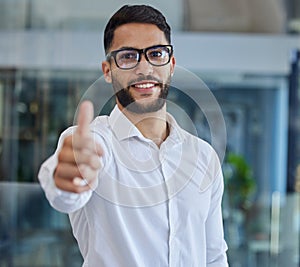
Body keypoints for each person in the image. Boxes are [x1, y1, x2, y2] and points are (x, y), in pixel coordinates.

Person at [38, 4, 228, 267]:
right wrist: (67, 180)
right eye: (128, 56)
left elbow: (214, 256)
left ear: (171, 65)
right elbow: (65, 193)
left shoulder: (203, 156)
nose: (144, 68)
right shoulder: (93, 143)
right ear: (108, 70)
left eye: (156, 54)